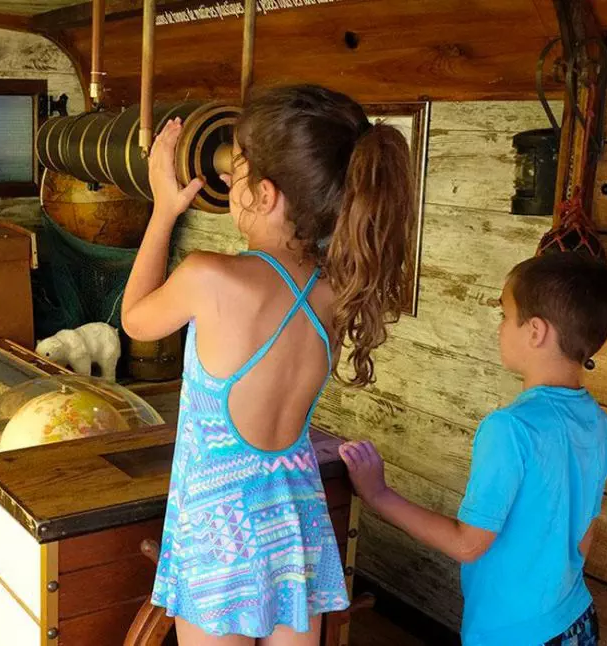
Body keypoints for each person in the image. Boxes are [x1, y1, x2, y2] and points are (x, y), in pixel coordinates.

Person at [122, 85, 417, 645]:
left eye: (235, 172)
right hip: (294, 521)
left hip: (219, 530)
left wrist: (163, 211)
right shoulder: (334, 291)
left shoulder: (211, 277)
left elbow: (136, 320)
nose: (228, 184)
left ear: (267, 193)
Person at [339, 252, 607, 646]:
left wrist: (378, 494)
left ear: (536, 331)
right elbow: (583, 541)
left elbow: (468, 544)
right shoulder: (602, 426)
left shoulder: (510, 428)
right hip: (576, 619)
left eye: (505, 315)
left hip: (513, 635)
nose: (500, 327)